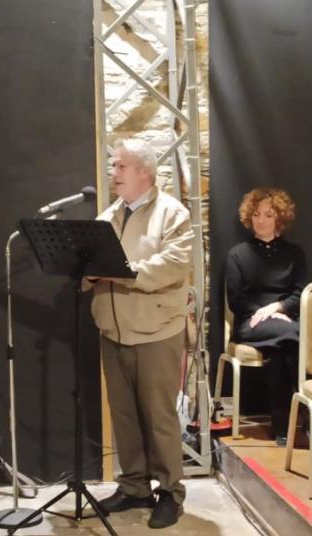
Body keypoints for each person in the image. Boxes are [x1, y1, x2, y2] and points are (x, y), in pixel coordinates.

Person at [87, 138, 194, 529]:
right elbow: (89, 265)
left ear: (144, 172)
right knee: (125, 416)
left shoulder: (173, 214)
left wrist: (120, 271)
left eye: (120, 166)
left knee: (159, 417)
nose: (112, 173)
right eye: (113, 166)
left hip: (156, 332)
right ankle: (133, 486)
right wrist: (85, 270)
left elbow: (173, 265)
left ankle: (170, 493)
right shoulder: (107, 217)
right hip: (113, 331)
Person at [225, 187, 306, 445]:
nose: (261, 220)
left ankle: (283, 427)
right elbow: (236, 299)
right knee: (297, 336)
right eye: (257, 214)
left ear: (279, 218)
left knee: (284, 348)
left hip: (285, 322)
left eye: (268, 215)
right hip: (250, 323)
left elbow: (300, 294)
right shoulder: (237, 254)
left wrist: (277, 309)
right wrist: (264, 315)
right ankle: (308, 421)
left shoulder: (294, 254)